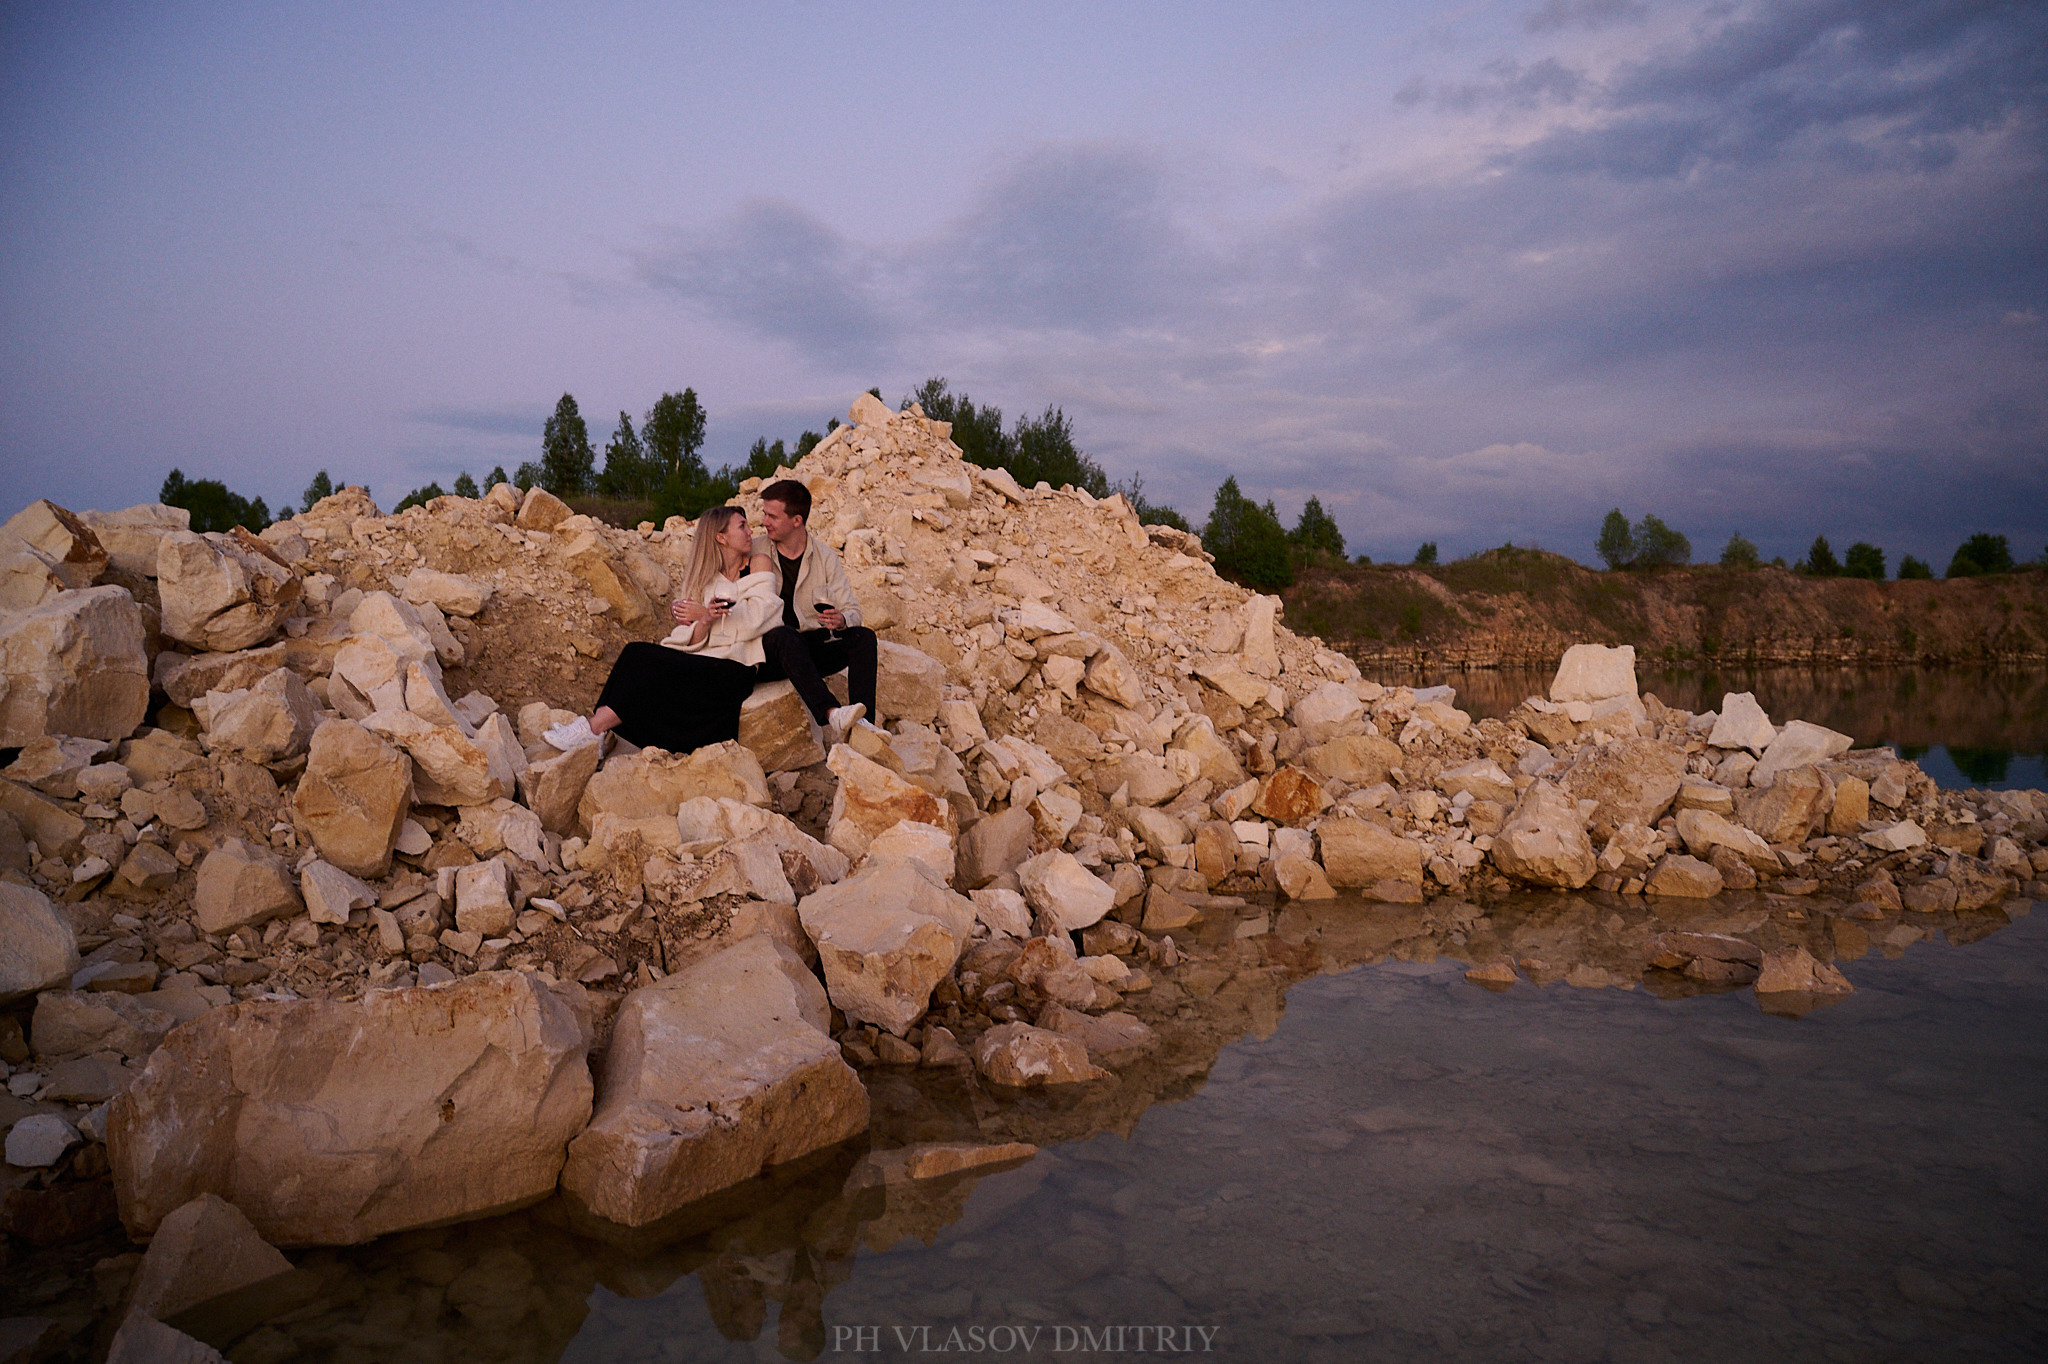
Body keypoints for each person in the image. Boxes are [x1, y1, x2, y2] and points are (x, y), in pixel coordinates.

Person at [544, 506, 777, 757]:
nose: (750, 530)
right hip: (704, 660)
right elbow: (695, 639)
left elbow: (760, 618)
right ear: (721, 537)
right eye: (742, 525)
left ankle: (593, 730)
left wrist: (700, 614)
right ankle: (596, 731)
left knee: (642, 658)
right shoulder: (703, 577)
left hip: (736, 667)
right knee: (635, 653)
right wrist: (706, 620)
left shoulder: (758, 563)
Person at [752, 477, 874, 746]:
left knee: (863, 638)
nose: (764, 522)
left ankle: (865, 729)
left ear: (797, 520)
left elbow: (853, 610)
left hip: (808, 649)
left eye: (772, 516)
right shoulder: (755, 550)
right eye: (764, 514)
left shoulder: (826, 558)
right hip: (769, 652)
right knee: (786, 636)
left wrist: (842, 620)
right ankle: (831, 713)